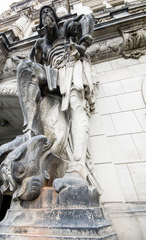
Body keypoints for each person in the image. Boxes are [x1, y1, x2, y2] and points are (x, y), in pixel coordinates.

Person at [17, 6, 97, 190]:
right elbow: (33, 64)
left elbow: (88, 19)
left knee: (76, 106)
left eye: (48, 13)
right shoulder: (41, 43)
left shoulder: (66, 26)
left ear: (54, 17)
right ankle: (30, 131)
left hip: (70, 64)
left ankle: (78, 163)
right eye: (42, 14)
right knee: (27, 71)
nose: (46, 15)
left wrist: (82, 45)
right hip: (52, 75)